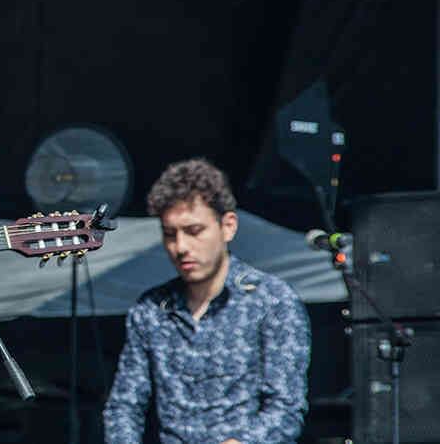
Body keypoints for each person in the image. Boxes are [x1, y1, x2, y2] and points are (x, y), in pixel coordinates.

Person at [103, 158, 310, 443]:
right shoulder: (150, 310)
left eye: (194, 231)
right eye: (169, 234)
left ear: (228, 226)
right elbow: (124, 406)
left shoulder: (272, 301)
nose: (181, 247)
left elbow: (286, 409)